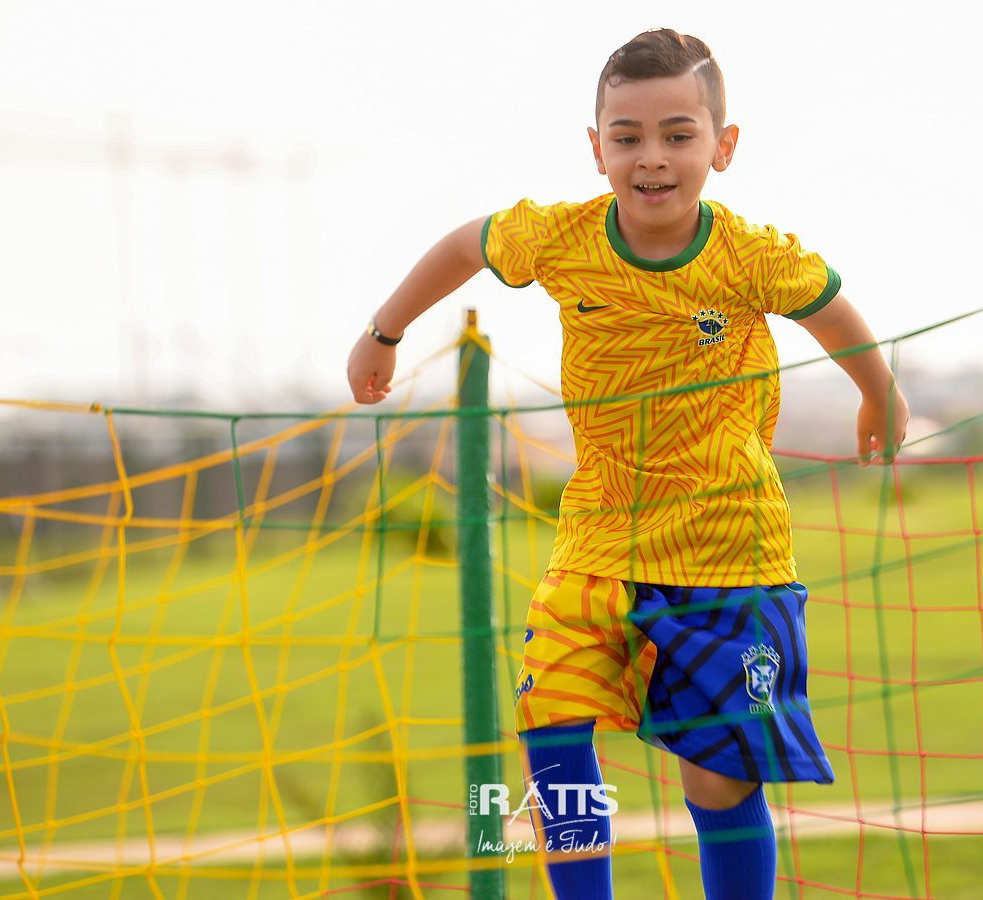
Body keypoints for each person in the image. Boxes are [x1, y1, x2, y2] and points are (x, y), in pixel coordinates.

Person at [347, 27, 909, 900]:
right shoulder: (559, 238)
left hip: (727, 553)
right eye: (628, 136)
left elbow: (829, 309)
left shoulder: (751, 255)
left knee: (716, 779)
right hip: (599, 540)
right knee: (551, 728)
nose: (651, 157)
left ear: (721, 146)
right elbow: (463, 246)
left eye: (677, 135)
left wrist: (878, 393)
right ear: (596, 147)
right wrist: (383, 332)